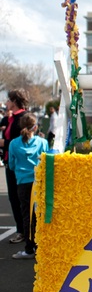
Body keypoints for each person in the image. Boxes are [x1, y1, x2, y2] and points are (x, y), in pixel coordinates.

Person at [8, 113, 49, 259]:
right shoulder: (42, 142)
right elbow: (46, 162)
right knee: (39, 214)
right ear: (36, 127)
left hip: (23, 182)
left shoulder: (14, 143)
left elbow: (11, 165)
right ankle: (41, 247)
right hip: (38, 182)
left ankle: (29, 248)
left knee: (26, 215)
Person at [0, 89, 29, 243]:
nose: (6, 103)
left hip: (20, 164)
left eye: (9, 100)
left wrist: (4, 143)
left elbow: (23, 141)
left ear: (15, 101)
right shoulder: (10, 118)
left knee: (21, 198)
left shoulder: (23, 117)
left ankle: (25, 232)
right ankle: (22, 230)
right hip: (9, 161)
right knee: (14, 198)